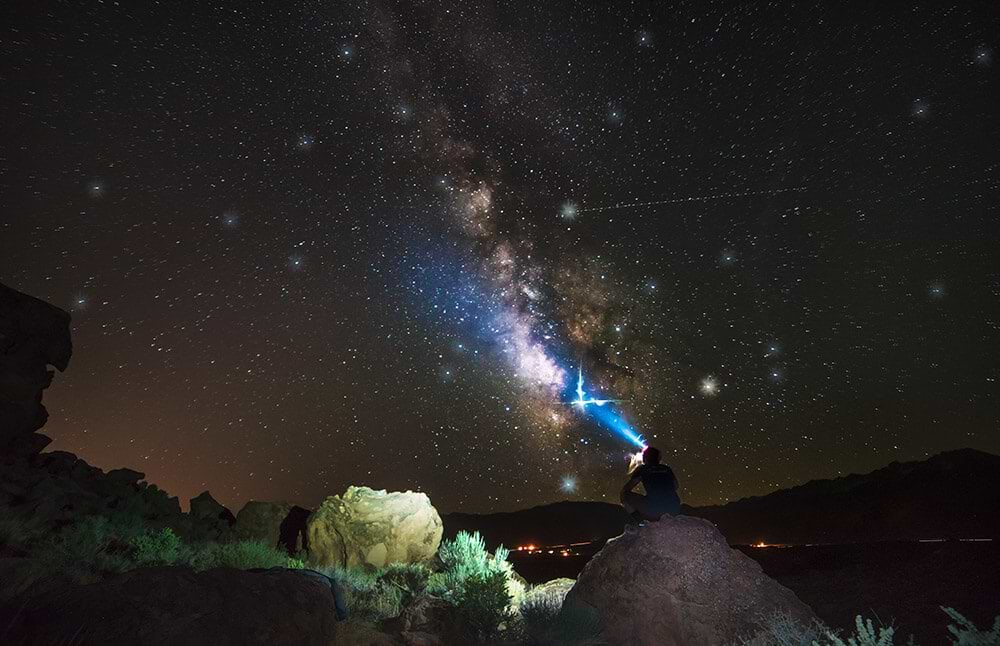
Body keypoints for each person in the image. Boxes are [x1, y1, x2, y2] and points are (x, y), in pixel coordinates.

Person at [620, 446, 680, 526]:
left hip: (655, 508)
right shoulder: (666, 469)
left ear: (645, 458)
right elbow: (676, 486)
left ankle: (641, 524)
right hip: (674, 507)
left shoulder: (642, 469)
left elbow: (627, 488)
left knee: (624, 494)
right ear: (658, 458)